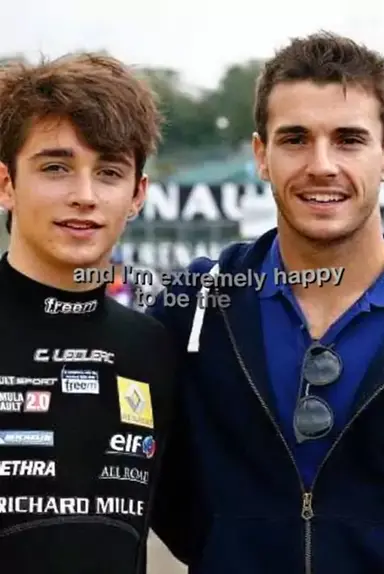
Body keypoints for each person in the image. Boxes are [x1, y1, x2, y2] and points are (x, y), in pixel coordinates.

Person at [148, 32, 384, 574]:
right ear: (261, 155)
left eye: (348, 139)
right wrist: (228, 546)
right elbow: (157, 483)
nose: (321, 165)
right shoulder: (194, 306)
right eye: (295, 139)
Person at [0, 53, 174, 574]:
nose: (84, 196)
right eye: (56, 168)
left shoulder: (154, 347)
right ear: (6, 184)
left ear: (137, 194)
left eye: (109, 172)